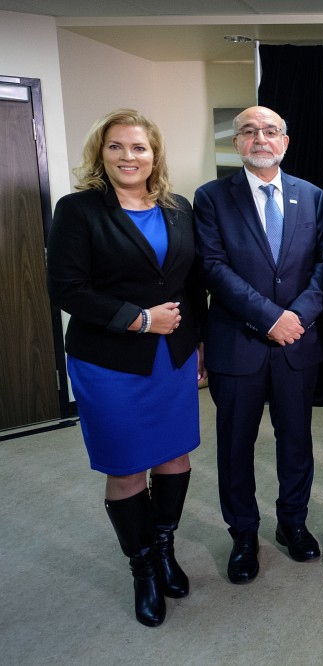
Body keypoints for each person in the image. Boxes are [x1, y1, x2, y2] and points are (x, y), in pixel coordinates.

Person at [47, 109, 206, 627]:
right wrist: (138, 320)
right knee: (126, 466)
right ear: (101, 153)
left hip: (172, 358)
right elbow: (66, 288)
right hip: (111, 362)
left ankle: (164, 549)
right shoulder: (78, 210)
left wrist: (196, 342)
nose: (128, 157)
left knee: (175, 459)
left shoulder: (178, 208)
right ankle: (141, 567)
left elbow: (190, 285)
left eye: (138, 147)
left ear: (154, 154)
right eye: (116, 147)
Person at [194, 106, 323, 584]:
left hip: (297, 344)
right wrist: (271, 319)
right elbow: (212, 267)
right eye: (248, 131)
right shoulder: (211, 197)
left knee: (296, 441)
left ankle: (293, 522)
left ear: (285, 142)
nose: (260, 138)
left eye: (271, 130)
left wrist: (297, 318)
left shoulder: (311, 196)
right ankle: (244, 535)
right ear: (237, 143)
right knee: (235, 446)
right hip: (237, 345)